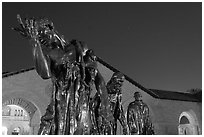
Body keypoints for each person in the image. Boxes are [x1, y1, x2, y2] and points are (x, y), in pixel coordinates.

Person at [13, 15, 113, 135]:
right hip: (59, 102)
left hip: (80, 101)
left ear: (50, 27)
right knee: (47, 128)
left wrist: (106, 106)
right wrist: (34, 43)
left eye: (40, 32)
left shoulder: (79, 47)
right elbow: (45, 74)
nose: (40, 38)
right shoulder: (47, 52)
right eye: (37, 35)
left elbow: (97, 77)